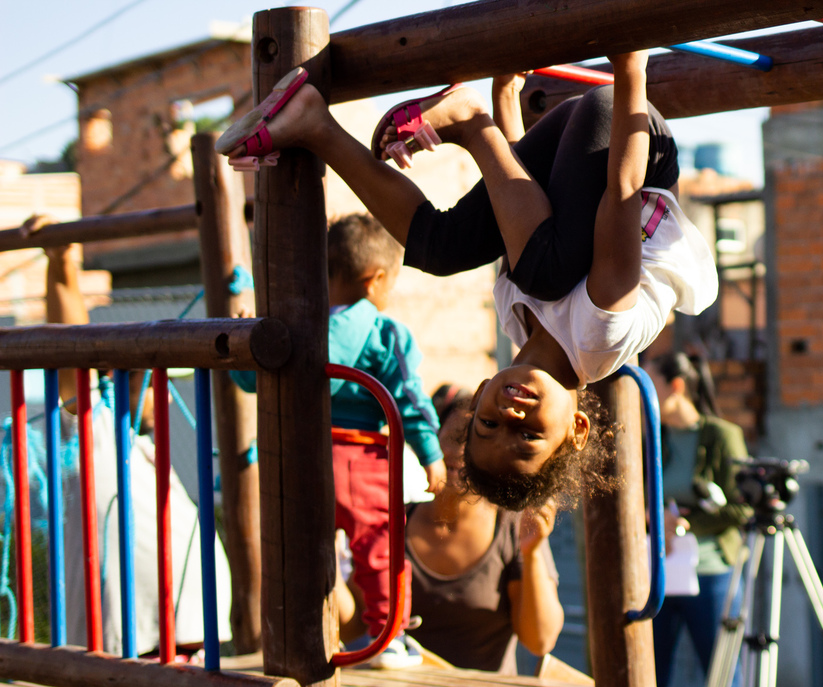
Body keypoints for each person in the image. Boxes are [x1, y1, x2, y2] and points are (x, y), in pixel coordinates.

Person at [216, 51, 717, 511]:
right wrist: (631, 62)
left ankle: (314, 124)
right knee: (542, 272)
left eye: (489, 424)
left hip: (569, 143)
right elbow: (622, 191)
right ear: (577, 429)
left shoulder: (517, 319)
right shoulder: (600, 336)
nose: (511, 417)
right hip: (628, 137)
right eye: (527, 439)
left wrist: (507, 98)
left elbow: (521, 203)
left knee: (443, 247)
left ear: (477, 398)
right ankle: (469, 123)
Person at [232, 213, 446, 668]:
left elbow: (253, 385)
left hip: (298, 453)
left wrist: (246, 344)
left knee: (302, 552)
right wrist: (430, 452)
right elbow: (409, 396)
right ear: (376, 279)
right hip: (361, 455)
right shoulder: (385, 334)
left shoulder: (292, 329)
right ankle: (387, 635)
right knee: (378, 547)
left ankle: (298, 637)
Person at [21, 214, 233, 659]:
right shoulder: (96, 434)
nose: (169, 401)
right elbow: (72, 347)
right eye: (158, 387)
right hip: (133, 644)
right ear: (124, 383)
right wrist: (63, 263)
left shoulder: (146, 450)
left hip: (186, 638)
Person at [402, 387, 563, 673]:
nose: (461, 453)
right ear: (431, 440)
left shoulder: (514, 527)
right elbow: (351, 627)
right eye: (453, 438)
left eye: (476, 440)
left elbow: (540, 641)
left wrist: (533, 551)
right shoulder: (397, 522)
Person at [646, 352, 752, 687]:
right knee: (650, 682)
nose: (643, 392)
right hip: (660, 573)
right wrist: (650, 515)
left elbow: (743, 508)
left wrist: (684, 524)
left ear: (676, 387)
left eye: (650, 382)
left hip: (710, 573)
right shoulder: (652, 438)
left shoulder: (721, 435)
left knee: (724, 678)